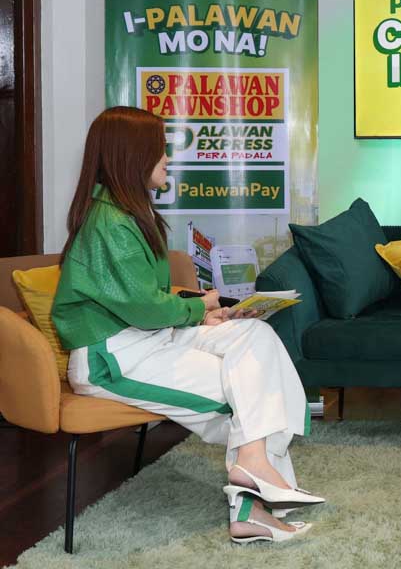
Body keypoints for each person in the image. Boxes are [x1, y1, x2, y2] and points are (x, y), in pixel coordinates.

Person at [52, 106, 324, 544]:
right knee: (254, 388)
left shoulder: (124, 214)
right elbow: (144, 308)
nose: (167, 158)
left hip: (147, 341)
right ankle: (253, 501)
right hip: (113, 359)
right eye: (159, 149)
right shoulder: (110, 223)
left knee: (257, 339)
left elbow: (143, 299)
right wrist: (198, 310)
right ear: (132, 155)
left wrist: (203, 309)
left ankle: (253, 471)